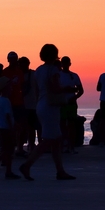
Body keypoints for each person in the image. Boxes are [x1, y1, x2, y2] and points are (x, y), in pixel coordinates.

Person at [19, 44, 76, 181]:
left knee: (55, 139)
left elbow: (38, 90)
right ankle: (27, 164)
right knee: (49, 140)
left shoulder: (38, 70)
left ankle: (60, 171)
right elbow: (55, 88)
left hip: (41, 105)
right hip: (51, 107)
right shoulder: (53, 70)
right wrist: (68, 89)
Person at [0, 76, 21, 179]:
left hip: (2, 127)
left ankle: (8, 170)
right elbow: (7, 116)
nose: (11, 88)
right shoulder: (5, 100)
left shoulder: (0, 100)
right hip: (6, 129)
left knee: (8, 150)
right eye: (10, 87)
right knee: (8, 150)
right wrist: (12, 127)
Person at [1, 51, 27, 157]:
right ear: (8, 60)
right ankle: (9, 148)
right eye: (11, 59)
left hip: (19, 102)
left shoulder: (20, 72)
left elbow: (23, 85)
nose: (13, 61)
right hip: (8, 103)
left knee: (20, 126)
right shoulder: (5, 72)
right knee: (8, 127)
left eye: (14, 59)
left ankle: (19, 148)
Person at [59, 56, 84, 153]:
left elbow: (81, 90)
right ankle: (63, 145)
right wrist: (67, 90)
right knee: (62, 126)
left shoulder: (74, 76)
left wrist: (74, 97)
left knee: (71, 126)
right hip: (61, 103)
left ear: (69, 64)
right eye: (63, 63)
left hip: (71, 103)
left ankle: (71, 146)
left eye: (67, 63)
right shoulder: (58, 75)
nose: (65, 65)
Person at [19, 57, 40, 150]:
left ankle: (31, 144)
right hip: (20, 104)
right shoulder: (19, 75)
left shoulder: (34, 74)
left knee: (31, 127)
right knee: (22, 128)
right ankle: (23, 146)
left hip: (32, 105)